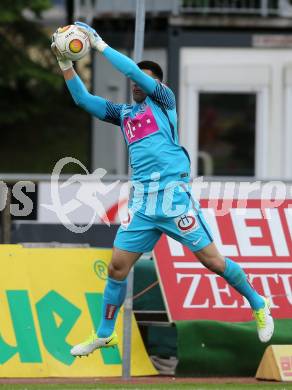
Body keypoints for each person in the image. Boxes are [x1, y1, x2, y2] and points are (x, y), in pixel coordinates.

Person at [51, 22, 274, 357]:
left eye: (145, 78)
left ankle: (258, 303)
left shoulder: (164, 101)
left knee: (212, 261)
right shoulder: (123, 114)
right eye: (136, 79)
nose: (136, 82)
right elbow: (83, 100)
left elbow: (135, 73)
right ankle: (105, 334)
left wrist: (99, 46)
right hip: (142, 203)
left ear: (157, 83)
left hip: (173, 199)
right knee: (117, 267)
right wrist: (64, 63)